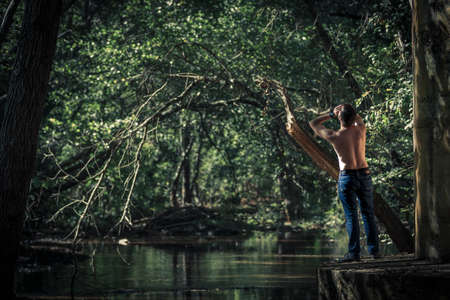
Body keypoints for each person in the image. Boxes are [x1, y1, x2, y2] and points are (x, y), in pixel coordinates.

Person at [309, 104, 379, 262]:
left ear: (340, 118)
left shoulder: (334, 136)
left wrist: (331, 114)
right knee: (368, 213)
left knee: (351, 215)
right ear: (354, 117)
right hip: (364, 173)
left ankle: (354, 254)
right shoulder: (361, 129)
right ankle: (374, 251)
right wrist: (345, 111)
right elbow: (357, 118)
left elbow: (313, 123)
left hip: (348, 177)